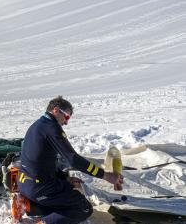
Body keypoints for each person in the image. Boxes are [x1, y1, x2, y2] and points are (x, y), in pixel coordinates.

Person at [18, 96, 124, 224]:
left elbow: (41, 160)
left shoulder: (37, 125)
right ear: (56, 110)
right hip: (39, 187)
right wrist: (105, 175)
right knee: (83, 208)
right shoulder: (52, 128)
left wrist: (64, 178)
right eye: (66, 116)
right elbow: (73, 159)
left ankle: (31, 206)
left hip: (25, 183)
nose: (66, 122)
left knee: (67, 190)